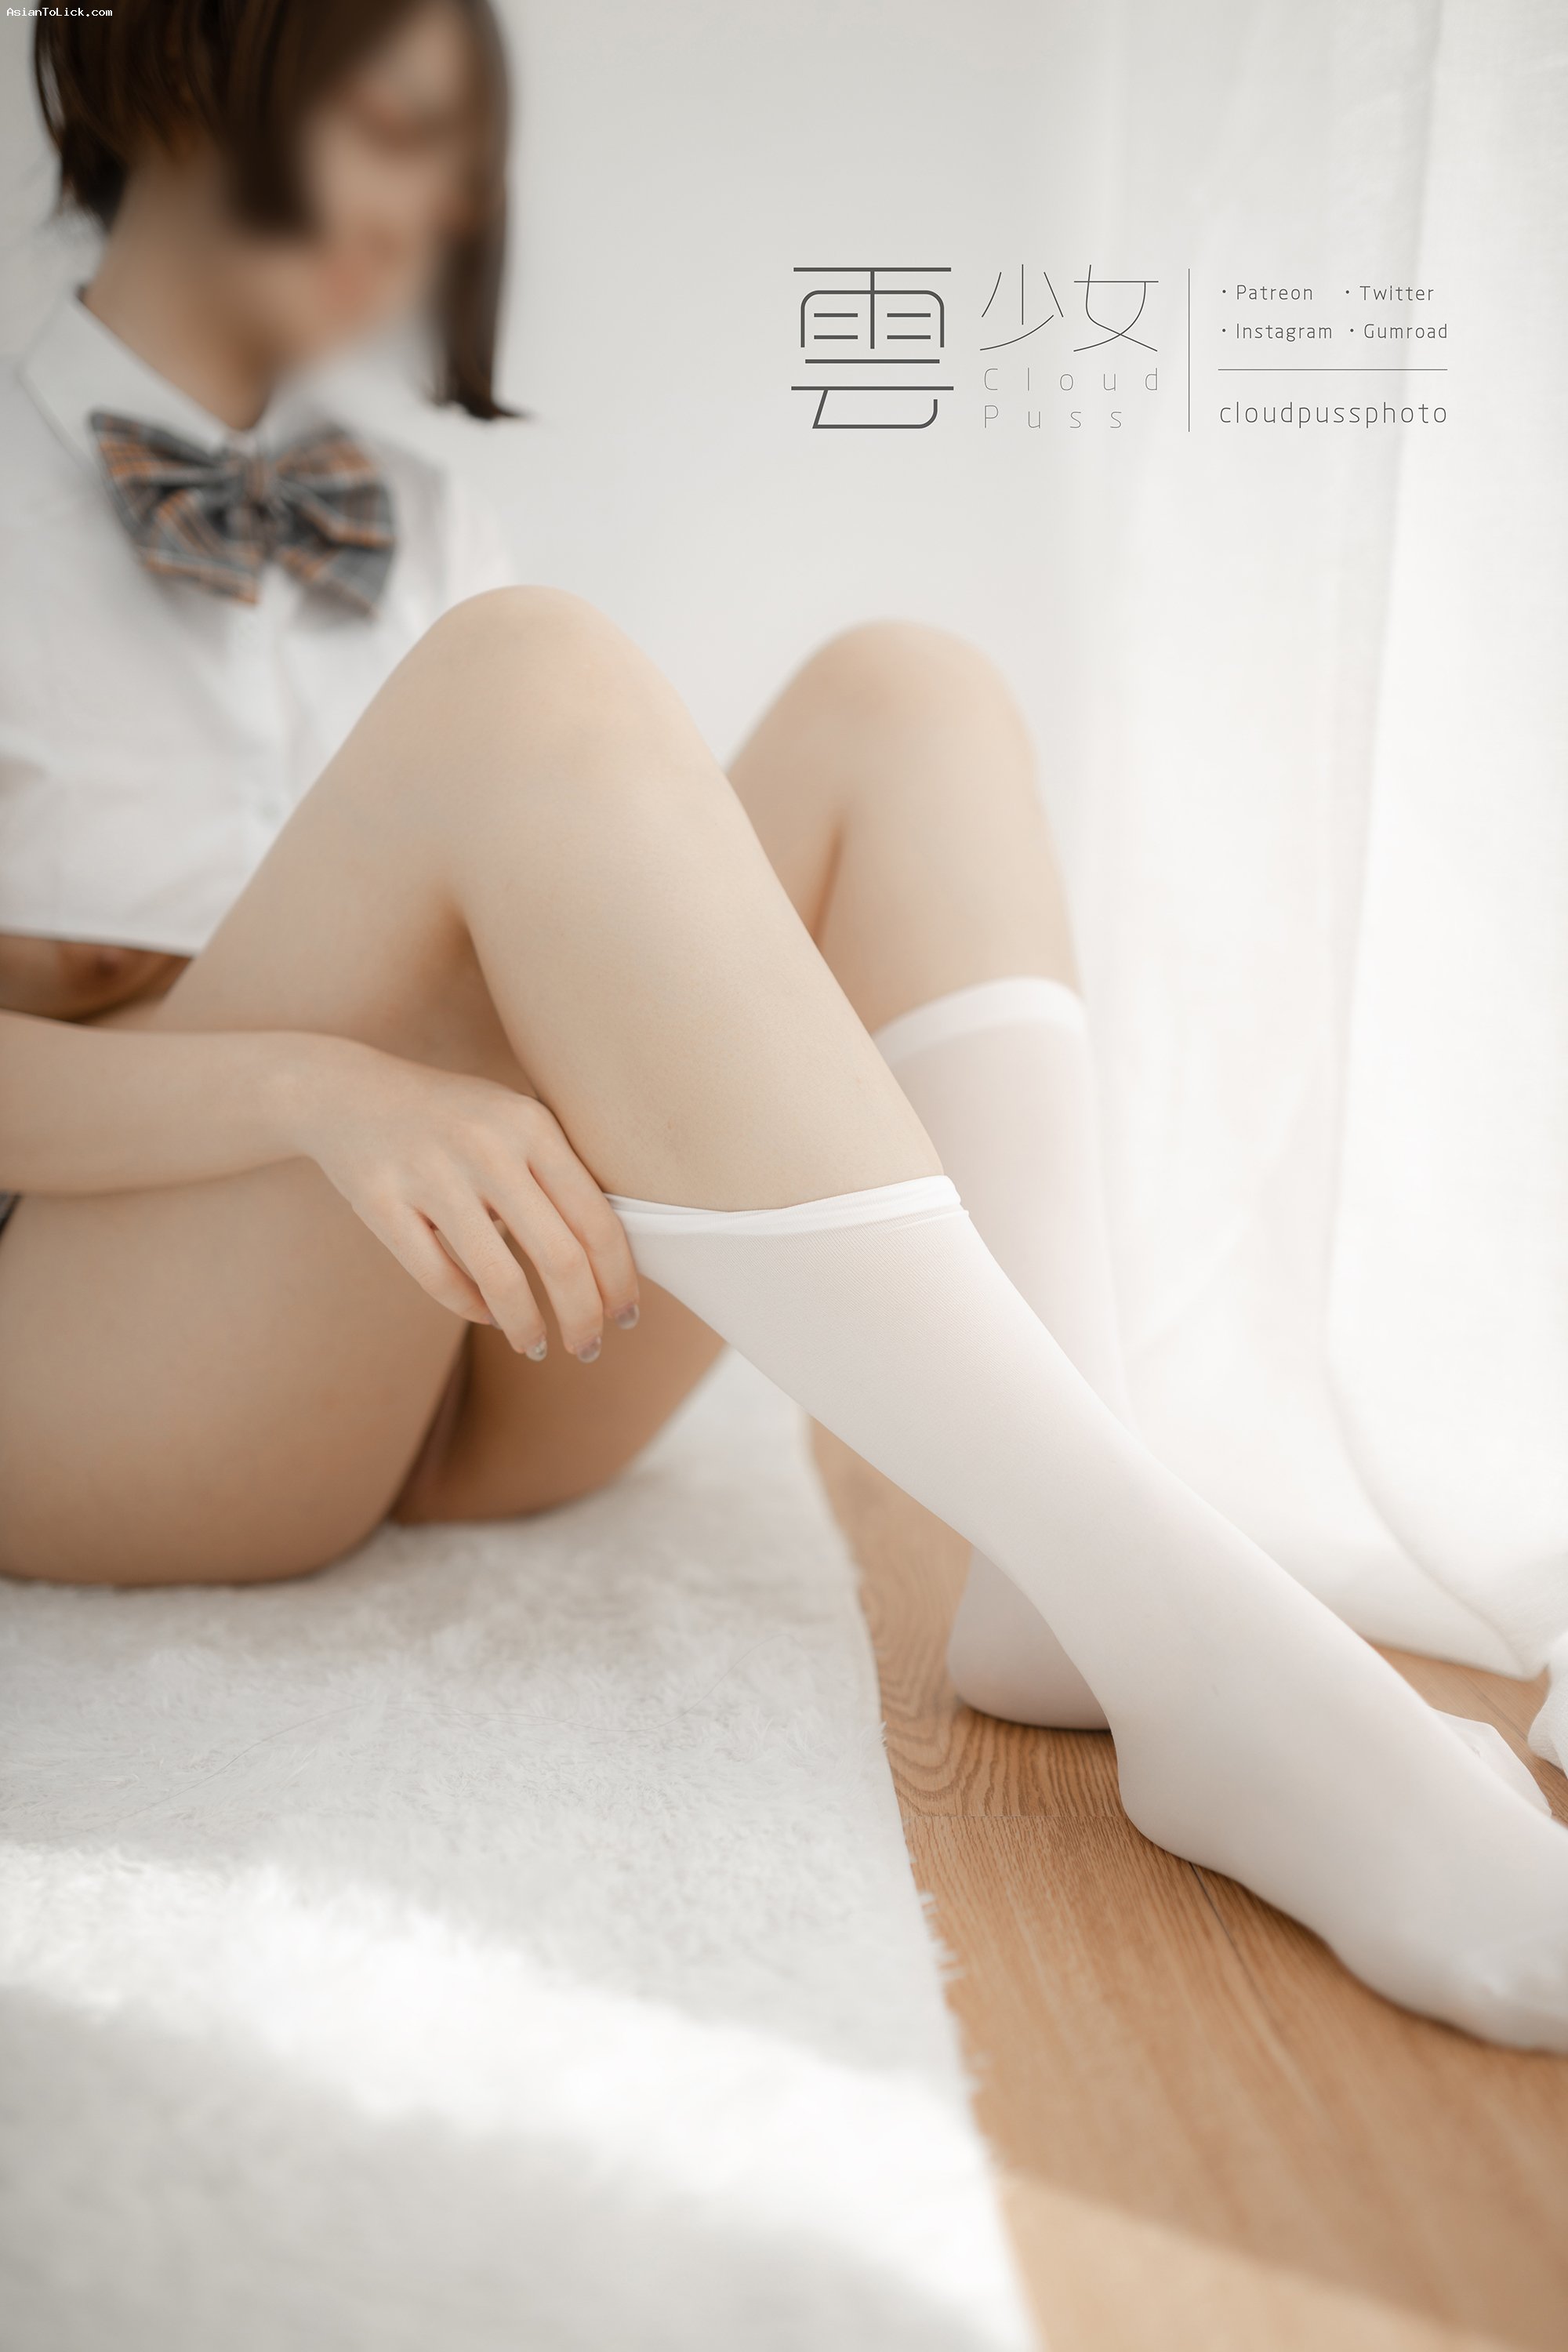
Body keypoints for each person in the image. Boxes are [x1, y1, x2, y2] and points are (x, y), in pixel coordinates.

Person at [2, 0, 1565, 2053]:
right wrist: (319, 1091)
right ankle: (1212, 1655)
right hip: (94, 1348)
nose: (430, 206)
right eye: (384, 125)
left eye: (456, 157)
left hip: (473, 1318)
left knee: (908, 691)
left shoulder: (411, 511)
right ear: (171, 65)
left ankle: (1055, 1568)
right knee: (524, 676)